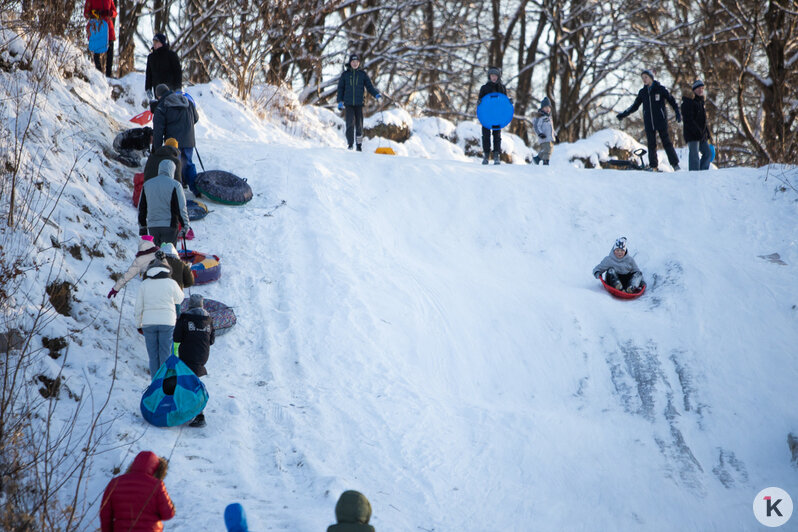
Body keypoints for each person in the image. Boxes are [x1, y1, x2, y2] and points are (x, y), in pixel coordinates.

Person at [616, 69, 681, 171]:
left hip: (660, 120)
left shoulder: (660, 89)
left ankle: (675, 165)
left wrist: (677, 112)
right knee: (651, 144)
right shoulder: (643, 92)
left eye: (646, 77)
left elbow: (671, 100)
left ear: (651, 77)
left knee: (666, 142)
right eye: (642, 78)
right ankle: (653, 166)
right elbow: (635, 106)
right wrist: (624, 114)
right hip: (649, 122)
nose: (644, 80)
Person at [99, 450, 175, 531]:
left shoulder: (115, 482)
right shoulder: (157, 485)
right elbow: (168, 515)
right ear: (156, 469)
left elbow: (105, 514)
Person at [135, 258, 184, 376]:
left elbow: (138, 307)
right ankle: (164, 384)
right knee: (165, 354)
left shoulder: (144, 284)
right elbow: (180, 298)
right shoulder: (171, 282)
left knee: (153, 356)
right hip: (167, 322)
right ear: (167, 269)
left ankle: (155, 385)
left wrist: (138, 324)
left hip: (148, 323)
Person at [173, 294, 214, 427]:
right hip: (203, 356)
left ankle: (199, 414)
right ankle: (193, 411)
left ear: (190, 305)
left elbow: (177, 338)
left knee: (189, 383)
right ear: (202, 305)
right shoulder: (208, 319)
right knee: (191, 381)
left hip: (187, 355)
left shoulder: (184, 318)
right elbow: (212, 340)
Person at [151, 84, 200, 194]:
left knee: (175, 164)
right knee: (188, 163)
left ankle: (177, 193)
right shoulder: (186, 100)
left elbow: (158, 130)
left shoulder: (162, 106)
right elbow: (195, 118)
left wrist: (157, 149)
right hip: (189, 139)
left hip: (173, 142)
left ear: (158, 96)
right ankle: (196, 189)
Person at [138, 159, 190, 247]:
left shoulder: (147, 184)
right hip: (170, 226)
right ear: (172, 170)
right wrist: (185, 226)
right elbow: (181, 207)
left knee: (157, 256)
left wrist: (142, 225)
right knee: (168, 256)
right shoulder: (175, 185)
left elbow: (142, 207)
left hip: (153, 226)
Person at [336, 54, 381, 151]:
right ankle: (350, 144)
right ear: (350, 63)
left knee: (359, 126)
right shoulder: (345, 75)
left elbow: (369, 87)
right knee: (350, 124)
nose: (355, 63)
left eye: (356, 62)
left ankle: (359, 145)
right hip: (348, 104)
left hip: (359, 104)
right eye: (353, 62)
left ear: (359, 63)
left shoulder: (362, 75)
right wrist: (340, 101)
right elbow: (340, 89)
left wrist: (375, 94)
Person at [478, 67, 508, 165]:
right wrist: (479, 102)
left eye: (495, 76)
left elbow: (505, 102)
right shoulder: (484, 88)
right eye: (492, 75)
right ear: (489, 76)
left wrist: (509, 102)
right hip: (486, 116)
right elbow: (480, 102)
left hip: (497, 116)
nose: (494, 77)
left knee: (497, 136)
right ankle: (486, 155)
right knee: (486, 136)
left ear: (498, 77)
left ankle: (496, 155)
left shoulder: (502, 88)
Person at [680, 79, 712, 171]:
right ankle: (694, 175)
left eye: (702, 88)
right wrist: (697, 131)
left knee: (708, 153)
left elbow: (703, 121)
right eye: (698, 88)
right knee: (694, 156)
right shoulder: (688, 102)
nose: (700, 90)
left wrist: (707, 133)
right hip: (692, 135)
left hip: (702, 135)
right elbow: (688, 120)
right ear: (693, 90)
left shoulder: (701, 102)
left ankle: (702, 173)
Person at [83, 0, 116, 77]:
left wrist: (110, 13)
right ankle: (99, 73)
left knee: (110, 48)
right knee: (96, 49)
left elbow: (114, 12)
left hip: (108, 27)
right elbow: (86, 14)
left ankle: (109, 73)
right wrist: (94, 13)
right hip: (97, 26)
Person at [145, 33, 183, 101]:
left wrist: (178, 87)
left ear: (162, 43)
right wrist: (148, 88)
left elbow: (178, 72)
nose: (154, 44)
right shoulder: (151, 57)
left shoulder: (171, 55)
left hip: (171, 89)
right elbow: (149, 74)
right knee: (160, 109)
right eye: (154, 42)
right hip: (157, 90)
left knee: (171, 108)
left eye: (157, 42)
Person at [532, 96, 555, 166]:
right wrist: (540, 134)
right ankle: (546, 163)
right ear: (542, 108)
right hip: (544, 138)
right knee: (547, 150)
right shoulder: (540, 117)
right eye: (546, 107)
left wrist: (555, 135)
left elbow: (552, 128)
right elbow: (536, 126)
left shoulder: (549, 118)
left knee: (547, 150)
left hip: (550, 138)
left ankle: (536, 159)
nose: (548, 109)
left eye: (549, 107)